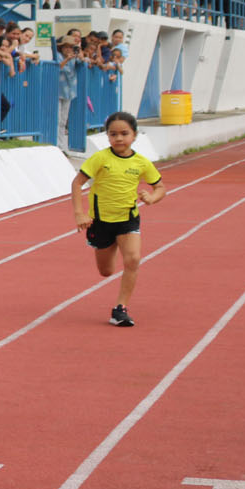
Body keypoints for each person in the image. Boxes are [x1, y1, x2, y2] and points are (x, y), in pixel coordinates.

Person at [71, 111, 166, 327]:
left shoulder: (141, 162)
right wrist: (79, 213)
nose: (119, 138)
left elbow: (160, 187)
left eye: (124, 133)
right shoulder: (100, 158)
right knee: (106, 271)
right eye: (113, 134)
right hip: (101, 222)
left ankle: (120, 309)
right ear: (107, 136)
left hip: (128, 219)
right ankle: (111, 244)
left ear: (134, 135)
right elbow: (77, 183)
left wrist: (152, 198)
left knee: (133, 259)